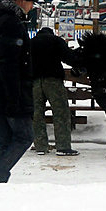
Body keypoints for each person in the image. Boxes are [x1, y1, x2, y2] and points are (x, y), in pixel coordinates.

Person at [0, 0, 39, 183]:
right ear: (23, 1)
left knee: (5, 139)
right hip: (10, 93)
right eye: (32, 3)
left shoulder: (3, 21)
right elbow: (9, 63)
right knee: (24, 137)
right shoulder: (12, 24)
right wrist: (14, 97)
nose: (32, 8)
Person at [30, 27, 79, 156]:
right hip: (53, 81)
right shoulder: (55, 41)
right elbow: (69, 57)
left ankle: (40, 145)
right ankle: (63, 146)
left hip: (35, 82)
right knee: (60, 112)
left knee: (37, 114)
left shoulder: (31, 42)